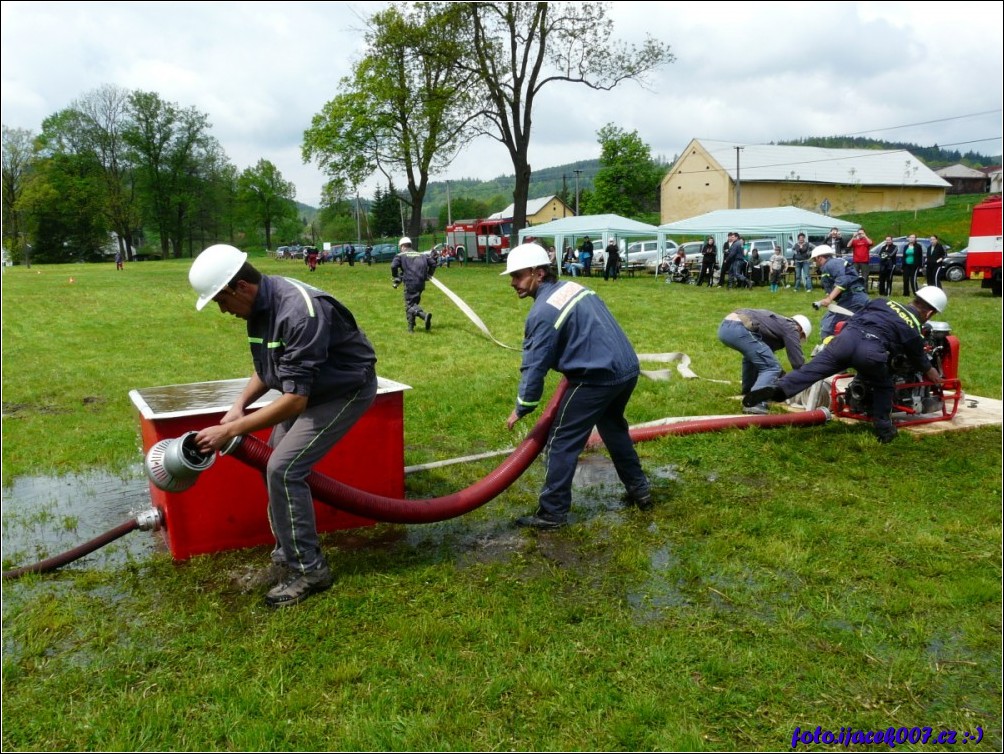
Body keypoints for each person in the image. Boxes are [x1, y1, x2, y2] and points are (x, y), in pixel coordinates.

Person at [188, 244, 378, 607]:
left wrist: (230, 431)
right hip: (309, 388)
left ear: (241, 287)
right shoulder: (260, 308)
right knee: (270, 463)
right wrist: (238, 407)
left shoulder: (297, 312)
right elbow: (269, 370)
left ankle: (310, 570)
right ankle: (287, 553)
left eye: (221, 301)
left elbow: (294, 400)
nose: (224, 311)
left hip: (344, 391)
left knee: (284, 468)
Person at [502, 243, 652, 529]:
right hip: (626, 369)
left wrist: (523, 406)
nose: (513, 283)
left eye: (518, 276)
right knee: (613, 428)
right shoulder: (574, 286)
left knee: (560, 441)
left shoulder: (542, 313)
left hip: (596, 377)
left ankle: (552, 513)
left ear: (539, 273)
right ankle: (640, 490)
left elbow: (534, 366)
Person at [745, 286, 947, 444]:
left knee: (811, 370)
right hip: (870, 351)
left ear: (915, 299)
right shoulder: (912, 327)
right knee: (884, 385)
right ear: (929, 313)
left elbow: (856, 316)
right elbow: (918, 357)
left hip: (844, 340)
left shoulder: (882, 302)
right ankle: (884, 430)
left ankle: (778, 390)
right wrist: (932, 374)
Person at [717, 309, 811, 415]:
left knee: (753, 359)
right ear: (800, 330)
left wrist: (781, 377)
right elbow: (798, 363)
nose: (798, 339)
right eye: (801, 337)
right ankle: (755, 402)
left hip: (725, 327)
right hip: (739, 328)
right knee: (772, 367)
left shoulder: (777, 324)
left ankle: (748, 392)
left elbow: (763, 356)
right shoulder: (791, 327)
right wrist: (808, 377)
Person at [810, 245, 870, 339]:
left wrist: (829, 299)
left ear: (819, 257)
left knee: (829, 327)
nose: (814, 262)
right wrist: (827, 298)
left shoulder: (831, 264)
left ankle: (829, 350)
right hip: (854, 298)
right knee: (829, 320)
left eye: (814, 260)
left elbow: (842, 281)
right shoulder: (833, 264)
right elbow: (832, 286)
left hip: (852, 299)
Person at [391, 236, 436, 332]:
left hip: (410, 282)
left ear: (402, 246)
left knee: (410, 305)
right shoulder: (422, 255)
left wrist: (395, 276)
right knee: (414, 303)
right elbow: (433, 263)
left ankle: (424, 316)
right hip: (421, 283)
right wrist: (429, 274)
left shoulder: (400, 255)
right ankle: (410, 328)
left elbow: (393, 266)